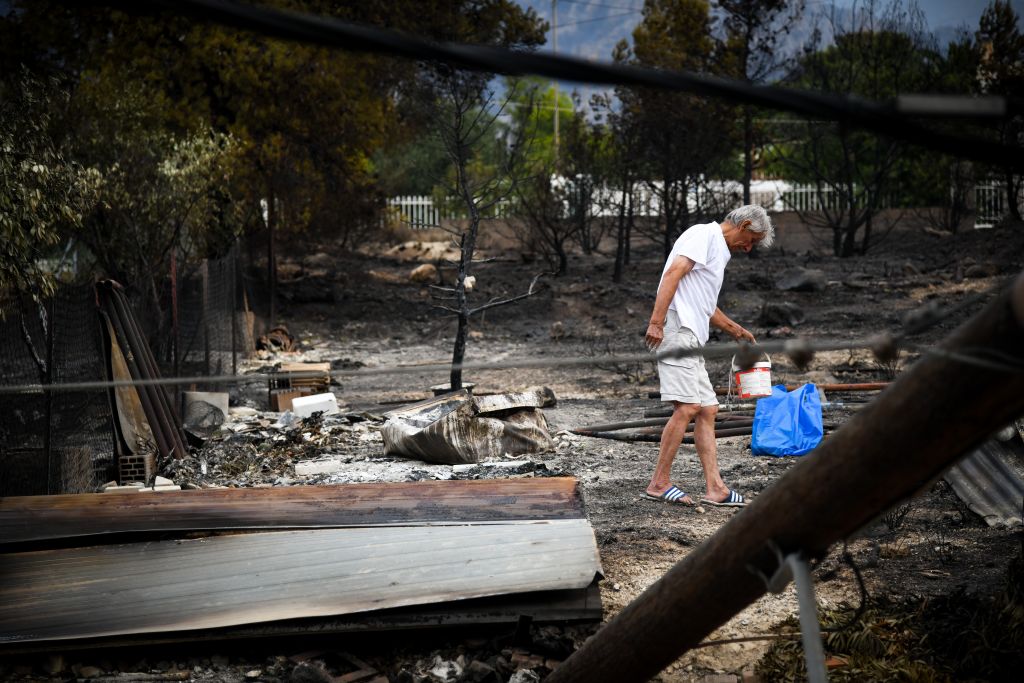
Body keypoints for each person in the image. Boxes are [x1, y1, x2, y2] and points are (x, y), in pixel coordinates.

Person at [644, 205, 774, 508]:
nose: (749, 247)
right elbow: (674, 273)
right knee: (687, 406)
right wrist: (656, 322)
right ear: (743, 224)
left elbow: (704, 304)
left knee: (707, 409)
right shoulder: (704, 234)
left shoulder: (719, 251)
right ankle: (658, 483)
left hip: (693, 336)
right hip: (678, 330)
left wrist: (735, 329)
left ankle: (716, 488)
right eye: (752, 239)